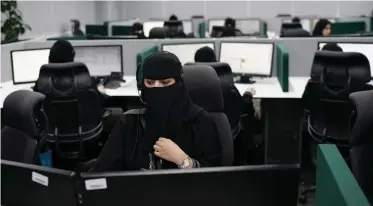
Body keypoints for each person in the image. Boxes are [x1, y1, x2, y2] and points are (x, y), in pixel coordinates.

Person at [93, 52, 222, 171]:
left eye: (165, 82)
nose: (156, 88)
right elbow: (102, 173)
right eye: (149, 82)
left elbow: (217, 180)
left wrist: (183, 160)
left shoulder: (202, 122)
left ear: (179, 83)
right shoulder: (129, 124)